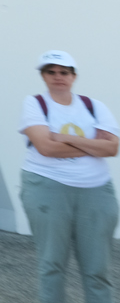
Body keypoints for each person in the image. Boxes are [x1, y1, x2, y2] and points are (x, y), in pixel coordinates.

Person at [19, 50, 118, 303]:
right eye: (51, 72)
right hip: (47, 188)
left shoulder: (94, 107)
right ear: (43, 76)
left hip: (96, 191)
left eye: (64, 72)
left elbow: (112, 148)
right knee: (52, 264)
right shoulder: (35, 104)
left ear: (73, 77)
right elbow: (46, 148)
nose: (58, 77)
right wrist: (90, 145)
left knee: (98, 268)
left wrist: (65, 137)